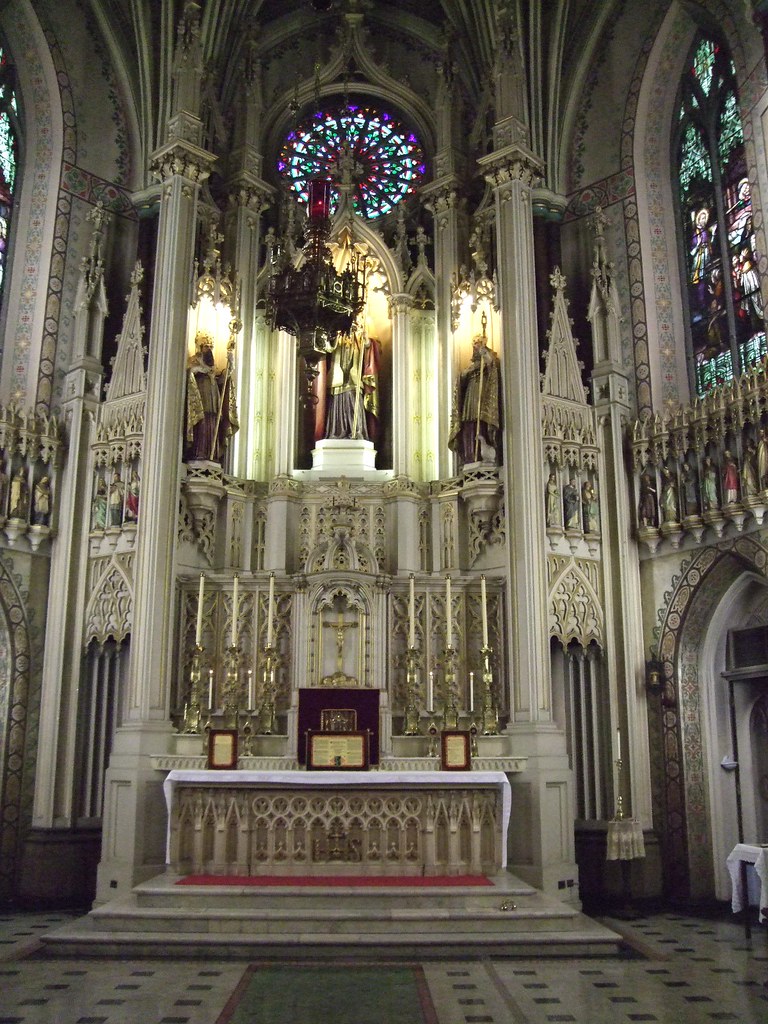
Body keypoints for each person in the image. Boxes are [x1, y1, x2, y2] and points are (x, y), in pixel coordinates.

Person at [448, 315, 502, 467]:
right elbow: (461, 379)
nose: (476, 347)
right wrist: (465, 375)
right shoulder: (471, 367)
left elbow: (492, 366)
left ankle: (481, 456)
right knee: (468, 424)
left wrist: (485, 352)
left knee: (480, 422)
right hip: (470, 397)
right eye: (475, 345)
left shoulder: (488, 359)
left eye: (478, 344)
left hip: (481, 397)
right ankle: (469, 456)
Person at [319, 329, 380, 442]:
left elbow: (371, 348)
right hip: (337, 376)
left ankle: (357, 431)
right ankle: (336, 432)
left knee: (354, 401)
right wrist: (332, 338)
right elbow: (327, 348)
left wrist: (367, 341)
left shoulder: (359, 334)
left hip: (354, 377)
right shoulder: (336, 333)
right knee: (337, 403)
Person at [186, 334, 238, 463]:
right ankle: (199, 453)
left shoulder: (213, 367)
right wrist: (202, 369)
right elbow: (190, 372)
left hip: (213, 400)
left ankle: (212, 454)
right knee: (202, 425)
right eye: (206, 346)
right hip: (201, 401)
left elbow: (222, 380)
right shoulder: (194, 361)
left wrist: (230, 362)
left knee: (214, 424)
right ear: (200, 347)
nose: (209, 349)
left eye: (211, 347)